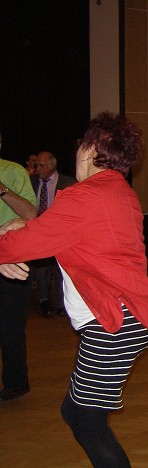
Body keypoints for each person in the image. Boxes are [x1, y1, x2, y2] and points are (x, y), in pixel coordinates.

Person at [0, 112, 148, 468]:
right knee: (74, 411)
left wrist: (8, 244)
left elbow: (27, 243)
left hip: (113, 324)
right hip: (126, 317)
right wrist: (18, 231)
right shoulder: (118, 190)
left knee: (87, 422)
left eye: (81, 144)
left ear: (90, 149)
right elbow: (55, 230)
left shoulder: (83, 196)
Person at [0, 132, 37, 402]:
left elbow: (31, 214)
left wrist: (1, 189)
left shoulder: (13, 172)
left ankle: (16, 382)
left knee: (10, 326)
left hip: (11, 261)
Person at [31, 151, 76, 317]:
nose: (37, 169)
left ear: (51, 165)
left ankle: (60, 304)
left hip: (62, 234)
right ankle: (43, 300)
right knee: (42, 270)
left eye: (41, 165)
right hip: (40, 233)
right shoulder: (31, 182)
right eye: (36, 165)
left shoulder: (68, 183)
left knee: (61, 270)